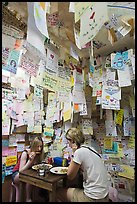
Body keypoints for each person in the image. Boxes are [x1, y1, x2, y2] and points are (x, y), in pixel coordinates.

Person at [56, 127, 109, 202]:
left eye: (69, 142)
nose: (69, 145)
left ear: (73, 141)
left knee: (58, 192)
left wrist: (74, 153)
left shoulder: (79, 152)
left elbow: (70, 176)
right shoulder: (91, 149)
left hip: (93, 197)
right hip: (104, 195)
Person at [12, 136, 44, 202]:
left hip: (28, 174)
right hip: (16, 174)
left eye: (41, 146)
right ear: (33, 146)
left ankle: (35, 198)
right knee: (29, 178)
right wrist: (30, 161)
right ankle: (28, 199)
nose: (39, 149)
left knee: (34, 179)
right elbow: (20, 171)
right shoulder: (25, 153)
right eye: (37, 146)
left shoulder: (38, 154)